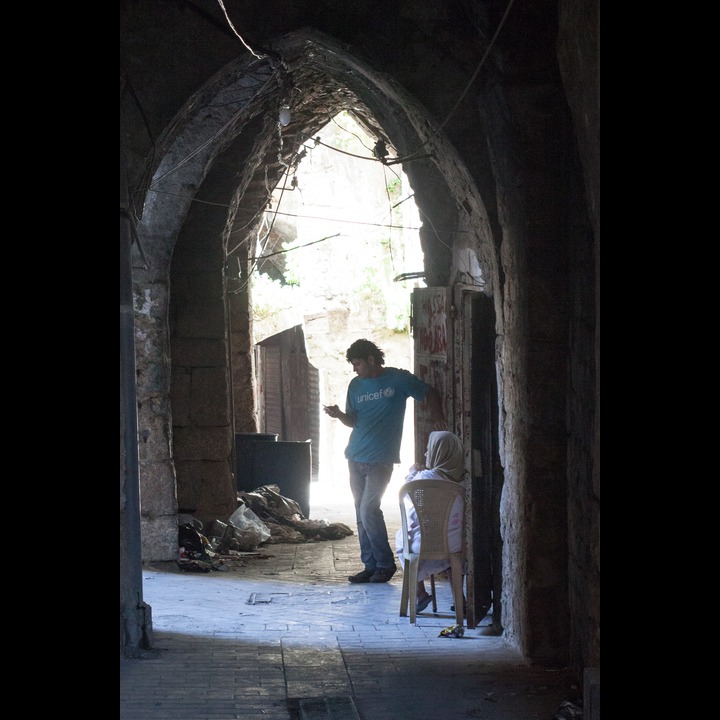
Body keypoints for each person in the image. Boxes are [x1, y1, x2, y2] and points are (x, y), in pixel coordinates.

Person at [324, 338, 447, 584]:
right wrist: (339, 415)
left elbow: (429, 394)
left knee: (369, 509)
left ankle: (385, 564)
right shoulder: (355, 385)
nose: (354, 369)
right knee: (361, 513)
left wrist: (438, 418)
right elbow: (353, 421)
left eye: (357, 363)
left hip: (381, 459)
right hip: (355, 456)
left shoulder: (398, 379)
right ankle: (370, 566)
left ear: (371, 359)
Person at [395, 430, 465, 612]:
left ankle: (420, 593)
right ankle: (460, 600)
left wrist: (411, 473)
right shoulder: (464, 480)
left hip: (423, 545)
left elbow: (408, 496)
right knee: (452, 557)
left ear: (438, 452)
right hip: (456, 546)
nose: (426, 453)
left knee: (402, 538)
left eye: (429, 449)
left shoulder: (424, 478)